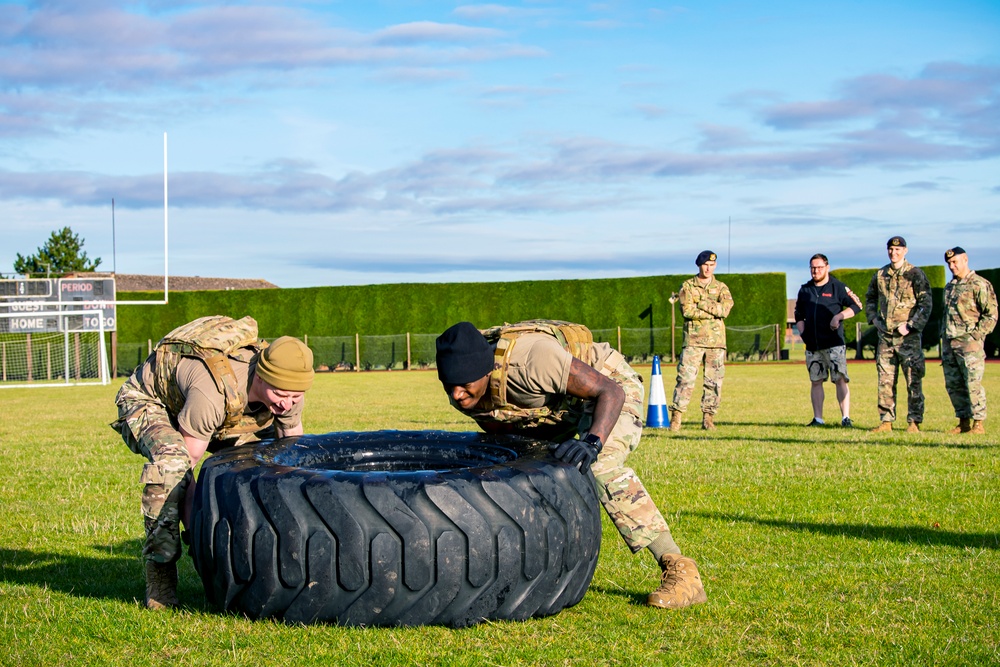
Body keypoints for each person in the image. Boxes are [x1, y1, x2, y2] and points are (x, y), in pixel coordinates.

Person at [435, 320, 707, 610]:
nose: (457, 396)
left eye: (464, 386)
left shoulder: (531, 360)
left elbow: (610, 392)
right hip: (558, 410)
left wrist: (592, 443)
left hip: (608, 387)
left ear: (486, 371)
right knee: (519, 467)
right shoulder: (462, 392)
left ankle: (681, 570)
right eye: (449, 387)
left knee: (598, 466)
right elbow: (507, 430)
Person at [111, 315, 314, 610]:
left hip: (223, 417)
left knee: (260, 460)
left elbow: (292, 454)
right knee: (172, 467)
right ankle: (161, 577)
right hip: (150, 402)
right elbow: (187, 474)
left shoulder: (289, 394)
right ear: (260, 377)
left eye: (295, 397)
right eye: (281, 395)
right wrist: (201, 536)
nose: (286, 404)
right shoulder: (212, 391)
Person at [864, 236, 932, 433]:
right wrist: (874, 319)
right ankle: (886, 421)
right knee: (885, 380)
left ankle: (914, 422)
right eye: (891, 250)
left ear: (905, 251)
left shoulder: (915, 274)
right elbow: (870, 297)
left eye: (898, 249)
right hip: (885, 337)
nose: (894, 253)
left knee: (913, 379)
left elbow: (925, 304)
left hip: (907, 338)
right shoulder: (880, 275)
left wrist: (911, 325)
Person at [794, 254, 863, 427]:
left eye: (819, 267)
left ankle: (845, 418)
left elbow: (857, 306)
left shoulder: (837, 287)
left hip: (834, 344)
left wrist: (839, 316)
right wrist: (803, 334)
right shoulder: (805, 290)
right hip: (813, 345)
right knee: (816, 381)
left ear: (827, 267)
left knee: (840, 379)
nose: (815, 271)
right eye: (812, 268)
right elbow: (799, 314)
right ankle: (818, 418)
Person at [668, 250, 734, 432]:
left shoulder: (721, 287)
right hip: (693, 341)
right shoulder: (687, 286)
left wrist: (702, 303)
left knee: (713, 382)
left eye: (712, 265)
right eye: (705, 264)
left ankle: (708, 418)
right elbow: (687, 311)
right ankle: (677, 417)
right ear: (699, 265)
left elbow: (725, 310)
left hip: (716, 342)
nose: (708, 268)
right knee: (685, 380)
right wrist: (714, 310)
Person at [940, 247, 997, 435]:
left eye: (955, 262)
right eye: (949, 263)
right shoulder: (950, 286)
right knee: (954, 384)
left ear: (965, 259)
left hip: (969, 343)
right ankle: (963, 421)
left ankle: (978, 424)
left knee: (972, 383)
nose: (951, 266)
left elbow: (991, 314)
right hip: (950, 342)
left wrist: (976, 336)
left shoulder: (979, 284)